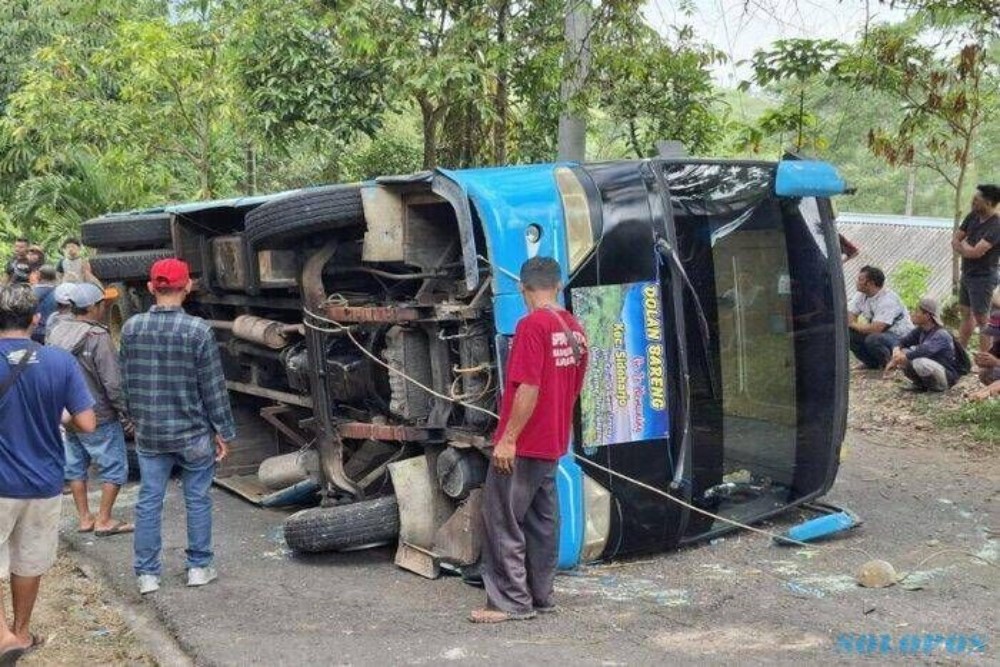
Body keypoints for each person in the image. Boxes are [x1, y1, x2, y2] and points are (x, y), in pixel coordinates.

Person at [470, 256, 588, 624]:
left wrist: (508, 440)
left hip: (524, 445)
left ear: (522, 287)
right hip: (553, 441)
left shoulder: (532, 326)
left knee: (502, 519)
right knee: (542, 522)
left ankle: (510, 603)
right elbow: (573, 388)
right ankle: (541, 595)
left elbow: (528, 388)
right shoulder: (573, 328)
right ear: (559, 285)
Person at [120, 258, 234, 595]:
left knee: (148, 500)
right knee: (197, 499)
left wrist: (133, 419)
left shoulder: (131, 328)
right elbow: (213, 387)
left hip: (150, 433)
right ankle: (199, 568)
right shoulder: (198, 330)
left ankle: (147, 575)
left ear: (151, 287)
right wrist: (223, 431)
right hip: (193, 433)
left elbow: (125, 382)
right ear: (187, 287)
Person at [0, 284, 96, 664]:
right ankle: (21, 632)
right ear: (36, 319)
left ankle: (2, 634)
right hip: (43, 482)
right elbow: (87, 423)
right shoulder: (59, 362)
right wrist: (59, 415)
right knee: (29, 561)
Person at [48, 283, 134, 537]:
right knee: (116, 468)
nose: (105, 307)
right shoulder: (98, 337)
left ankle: (85, 518)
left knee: (75, 466)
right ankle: (104, 519)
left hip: (67, 414)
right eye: (103, 303)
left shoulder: (56, 331)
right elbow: (112, 382)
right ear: (94, 307)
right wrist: (125, 412)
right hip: (98, 415)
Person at [952, 184, 1000, 352]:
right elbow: (955, 240)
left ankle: (985, 359)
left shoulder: (996, 225)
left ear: (988, 202)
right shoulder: (972, 216)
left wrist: (963, 248)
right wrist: (966, 249)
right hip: (967, 273)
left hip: (984, 277)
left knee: (982, 319)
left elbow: (976, 253)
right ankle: (961, 354)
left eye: (976, 200)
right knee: (965, 313)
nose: (972, 202)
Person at [884, 297, 959, 392]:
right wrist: (896, 350)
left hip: (945, 376)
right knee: (904, 352)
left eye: (917, 311)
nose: (913, 314)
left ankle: (936, 388)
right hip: (931, 368)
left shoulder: (941, 334)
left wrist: (898, 359)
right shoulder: (921, 330)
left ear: (927, 315)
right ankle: (920, 384)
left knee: (919, 362)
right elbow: (903, 341)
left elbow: (923, 351)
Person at [848, 265, 914, 369]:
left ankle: (890, 364)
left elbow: (876, 328)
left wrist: (852, 324)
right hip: (881, 334)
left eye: (860, 279)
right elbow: (849, 315)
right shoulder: (861, 295)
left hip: (899, 337)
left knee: (873, 338)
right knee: (848, 334)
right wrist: (852, 324)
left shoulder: (888, 300)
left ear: (870, 283)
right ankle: (871, 364)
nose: (857, 282)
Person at [968, 312, 1000, 402]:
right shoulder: (998, 343)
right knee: (984, 373)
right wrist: (982, 361)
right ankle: (988, 393)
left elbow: (996, 362)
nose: (995, 336)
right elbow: (991, 359)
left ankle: (986, 393)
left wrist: (996, 362)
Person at [29, 266, 58, 344]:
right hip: (52, 331)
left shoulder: (30, 292)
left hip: (34, 330)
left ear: (39, 275)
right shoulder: (59, 292)